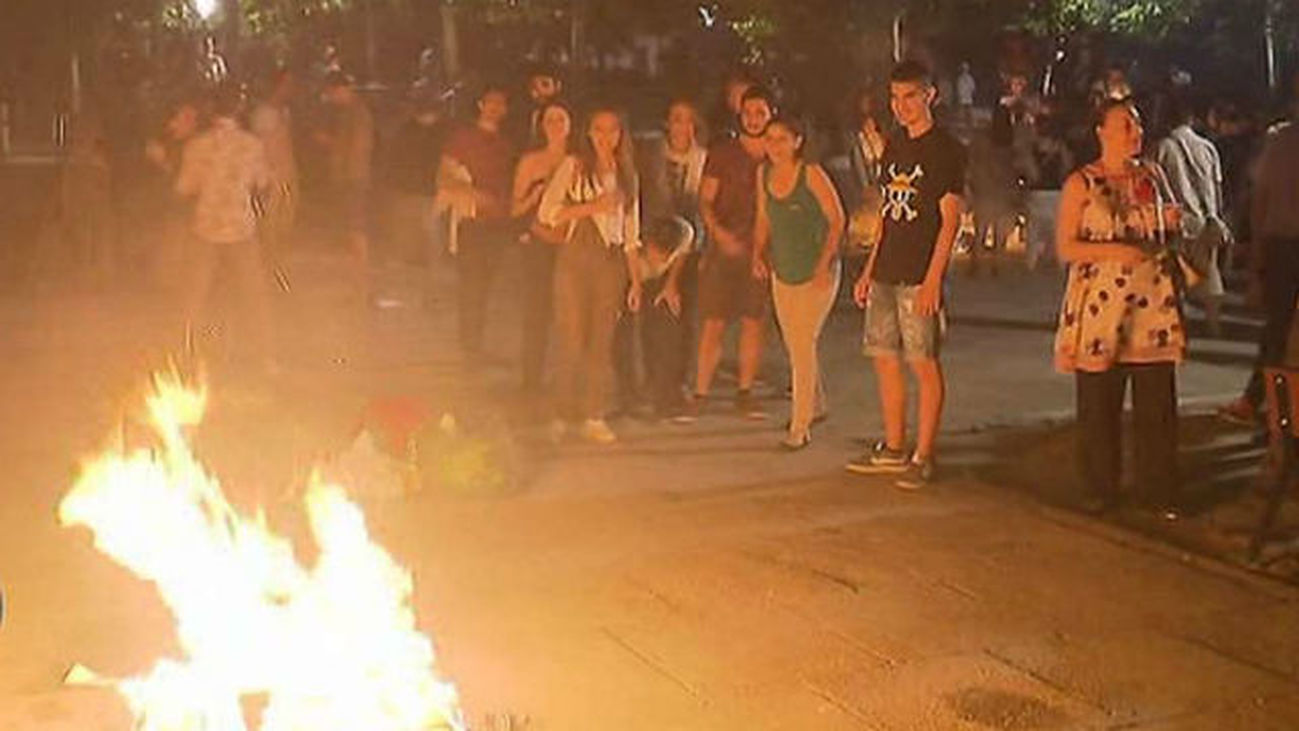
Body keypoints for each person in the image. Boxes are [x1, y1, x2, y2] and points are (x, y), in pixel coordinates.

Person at [1051, 98, 1185, 516]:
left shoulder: (1153, 175)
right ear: (1101, 132)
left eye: (1138, 125)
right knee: (1099, 403)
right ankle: (1099, 488)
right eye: (1125, 125)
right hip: (1102, 310)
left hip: (1151, 308)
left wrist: (1173, 224)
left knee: (1156, 405)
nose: (1134, 133)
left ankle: (1158, 490)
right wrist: (1114, 250)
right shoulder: (1083, 183)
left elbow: (1167, 227)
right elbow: (1066, 246)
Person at [846, 60, 967, 489]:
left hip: (919, 273)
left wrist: (934, 279)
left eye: (910, 96)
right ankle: (894, 445)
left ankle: (924, 453)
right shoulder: (894, 146)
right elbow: (886, 214)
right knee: (883, 356)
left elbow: (949, 220)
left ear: (930, 95)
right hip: (887, 269)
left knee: (923, 362)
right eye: (895, 98)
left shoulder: (947, 150)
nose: (902, 106)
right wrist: (869, 268)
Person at [537, 106, 644, 444]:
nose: (605, 137)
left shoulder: (628, 174)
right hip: (577, 255)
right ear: (588, 132)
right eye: (599, 129)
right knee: (571, 337)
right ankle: (559, 413)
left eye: (612, 130)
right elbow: (548, 212)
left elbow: (631, 234)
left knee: (602, 340)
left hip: (610, 261)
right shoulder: (574, 166)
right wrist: (593, 206)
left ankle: (593, 413)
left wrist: (635, 281)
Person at [752, 115, 846, 449]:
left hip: (818, 269)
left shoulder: (811, 174)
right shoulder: (763, 174)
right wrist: (757, 254)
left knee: (803, 344)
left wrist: (823, 265)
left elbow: (837, 220)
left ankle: (800, 424)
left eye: (782, 139)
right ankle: (816, 404)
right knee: (796, 343)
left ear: (797, 141)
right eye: (769, 139)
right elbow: (763, 218)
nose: (774, 146)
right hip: (784, 269)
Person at [688, 85, 777, 421]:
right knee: (714, 321)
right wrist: (719, 234)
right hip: (723, 250)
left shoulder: (776, 154)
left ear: (771, 115)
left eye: (761, 113)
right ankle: (700, 391)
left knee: (753, 321)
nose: (754, 119)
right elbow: (705, 199)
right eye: (748, 112)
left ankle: (745, 391)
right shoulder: (724, 152)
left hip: (761, 250)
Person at [174, 84, 274, 370]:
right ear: (239, 109)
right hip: (241, 228)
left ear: (210, 110)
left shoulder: (197, 146)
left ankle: (184, 352)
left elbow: (184, 188)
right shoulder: (252, 145)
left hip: (205, 228)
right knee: (254, 296)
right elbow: (263, 184)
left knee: (194, 295)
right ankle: (264, 357)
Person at [625, 98, 708, 419]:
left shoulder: (702, 159)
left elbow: (703, 205)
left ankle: (678, 383)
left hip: (690, 247)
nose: (681, 126)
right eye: (675, 119)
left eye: (687, 119)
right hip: (655, 245)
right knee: (651, 316)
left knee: (684, 317)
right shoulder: (653, 157)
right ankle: (652, 382)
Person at [438, 84, 516, 362]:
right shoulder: (463, 138)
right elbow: (446, 177)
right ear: (480, 105)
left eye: (501, 103)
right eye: (490, 102)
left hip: (498, 223)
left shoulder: (506, 144)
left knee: (487, 284)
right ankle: (470, 345)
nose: (495, 108)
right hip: (471, 220)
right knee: (471, 284)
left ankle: (477, 343)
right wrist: (476, 196)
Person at [1153, 95, 1230, 336]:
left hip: (1177, 221)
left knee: (1175, 277)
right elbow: (1217, 186)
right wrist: (1215, 214)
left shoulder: (1162, 147)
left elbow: (1153, 184)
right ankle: (1214, 324)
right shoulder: (1207, 147)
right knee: (1210, 276)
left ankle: (1179, 324)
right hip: (1206, 220)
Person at [512, 99, 573, 395]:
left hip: (571, 247)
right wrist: (535, 194)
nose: (556, 126)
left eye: (561, 119)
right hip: (538, 245)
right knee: (536, 314)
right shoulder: (531, 161)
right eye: (549, 120)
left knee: (569, 317)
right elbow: (515, 209)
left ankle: (565, 380)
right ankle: (531, 381)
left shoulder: (579, 160)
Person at [614, 217, 696, 420]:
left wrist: (671, 284)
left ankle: (666, 391)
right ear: (648, 244)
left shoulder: (684, 233)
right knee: (624, 339)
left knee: (665, 333)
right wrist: (622, 296)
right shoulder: (631, 244)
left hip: (657, 283)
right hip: (626, 280)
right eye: (657, 255)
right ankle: (628, 395)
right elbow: (617, 272)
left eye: (665, 257)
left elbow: (682, 255)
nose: (661, 260)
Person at [319, 71, 375, 302]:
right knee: (353, 234)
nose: (331, 99)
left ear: (341, 89)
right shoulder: (348, 113)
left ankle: (362, 287)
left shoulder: (358, 114)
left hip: (354, 180)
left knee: (356, 234)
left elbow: (358, 149)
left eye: (332, 93)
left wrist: (331, 145)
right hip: (351, 179)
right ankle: (357, 285)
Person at [384, 95, 448, 268]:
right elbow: (397, 158)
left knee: (430, 228)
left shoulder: (439, 133)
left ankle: (434, 262)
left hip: (426, 189)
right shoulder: (409, 131)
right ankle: (408, 259)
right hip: (411, 188)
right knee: (408, 227)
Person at [250, 69, 298, 283]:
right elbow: (262, 148)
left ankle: (276, 269)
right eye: (287, 84)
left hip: (287, 177)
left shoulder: (283, 112)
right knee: (269, 228)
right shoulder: (264, 114)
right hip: (272, 179)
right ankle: (266, 273)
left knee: (283, 227)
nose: (291, 89)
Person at [955, 61, 977, 129]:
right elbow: (958, 88)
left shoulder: (969, 78)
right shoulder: (960, 78)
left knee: (968, 111)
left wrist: (971, 93)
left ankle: (969, 123)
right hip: (963, 97)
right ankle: (964, 124)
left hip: (968, 97)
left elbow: (973, 87)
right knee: (963, 111)